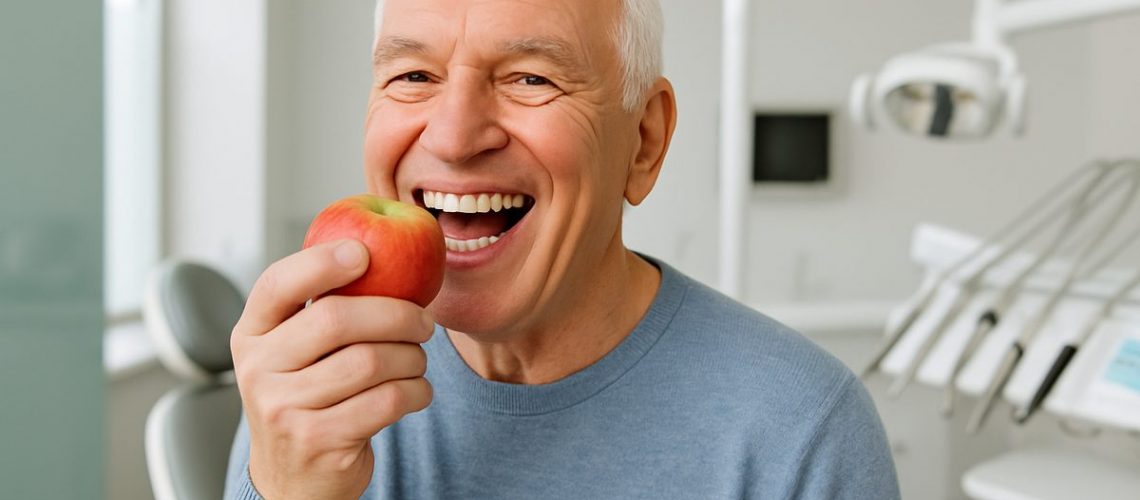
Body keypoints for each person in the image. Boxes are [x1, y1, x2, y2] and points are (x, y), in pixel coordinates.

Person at [225, 0, 900, 498]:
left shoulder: (803, 429)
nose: (455, 136)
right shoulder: (312, 393)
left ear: (644, 142)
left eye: (530, 78)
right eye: (413, 75)